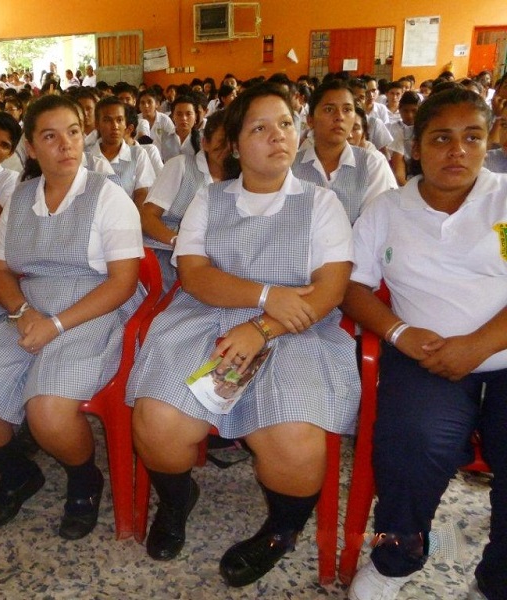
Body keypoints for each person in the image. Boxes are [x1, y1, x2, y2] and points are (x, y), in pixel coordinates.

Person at [126, 83, 359, 586]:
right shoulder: (210, 200)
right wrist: (263, 296)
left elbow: (329, 290)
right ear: (233, 144)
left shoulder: (321, 204)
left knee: (296, 440)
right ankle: (176, 497)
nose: (278, 136)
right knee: (158, 422)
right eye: (259, 127)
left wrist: (264, 324)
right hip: (209, 316)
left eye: (285, 124)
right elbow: (195, 275)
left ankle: (281, 529)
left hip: (298, 328)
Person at [0, 95, 144, 540]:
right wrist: (22, 311)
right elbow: (0, 269)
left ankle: (83, 478)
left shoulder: (107, 197)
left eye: (73, 132)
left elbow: (123, 282)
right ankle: (18, 472)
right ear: (31, 148)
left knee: (48, 413)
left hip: (92, 308)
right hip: (27, 306)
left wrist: (55, 324)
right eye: (49, 136)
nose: (65, 145)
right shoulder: (22, 196)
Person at [341, 88, 507, 600]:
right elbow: (351, 287)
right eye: (441, 138)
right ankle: (397, 555)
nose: (456, 151)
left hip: (501, 351)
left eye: (471, 137)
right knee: (411, 439)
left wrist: (478, 344)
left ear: (488, 141)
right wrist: (398, 333)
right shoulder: (388, 207)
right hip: (425, 358)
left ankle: (499, 576)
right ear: (416, 146)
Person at [140, 110, 229, 290]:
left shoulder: (241, 176)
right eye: (222, 142)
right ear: (205, 143)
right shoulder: (181, 165)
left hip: (215, 258)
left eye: (236, 143)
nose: (229, 149)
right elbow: (147, 217)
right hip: (167, 252)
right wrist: (177, 241)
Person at [292, 80, 396, 224]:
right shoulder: (291, 167)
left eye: (347, 110)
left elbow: (374, 226)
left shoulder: (372, 163)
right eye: (329, 109)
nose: (339, 117)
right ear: (310, 120)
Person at [85, 97, 155, 208]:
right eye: (107, 120)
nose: (115, 126)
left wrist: (133, 222)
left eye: (119, 120)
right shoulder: (85, 156)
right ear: (97, 124)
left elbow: (141, 194)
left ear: (126, 124)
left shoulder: (137, 154)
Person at [159, 96, 200, 162]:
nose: (184, 118)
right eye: (179, 114)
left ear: (196, 117)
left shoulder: (203, 139)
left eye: (188, 114)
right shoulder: (163, 137)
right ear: (172, 116)